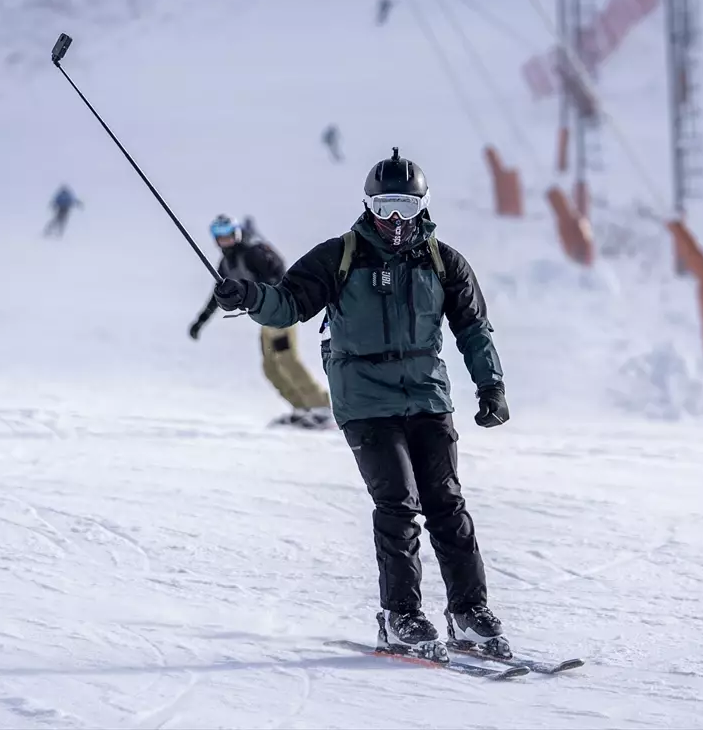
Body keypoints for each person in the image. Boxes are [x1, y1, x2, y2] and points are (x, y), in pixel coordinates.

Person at [209, 148, 511, 662]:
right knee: (397, 505)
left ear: (423, 207)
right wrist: (250, 296)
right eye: (386, 206)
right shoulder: (339, 256)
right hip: (366, 401)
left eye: (407, 208)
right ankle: (401, 617)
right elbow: (290, 302)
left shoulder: (444, 261)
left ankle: (469, 613)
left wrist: (491, 386)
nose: (396, 220)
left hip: (426, 395)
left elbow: (472, 328)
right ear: (369, 205)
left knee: (447, 505)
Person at [190, 214, 332, 427]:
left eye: (228, 234)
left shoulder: (254, 252)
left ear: (237, 233)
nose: (225, 240)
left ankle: (321, 408)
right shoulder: (226, 263)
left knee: (287, 359)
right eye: (219, 236)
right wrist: (200, 321)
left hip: (280, 317)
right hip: (265, 322)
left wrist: (260, 294)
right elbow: (217, 295)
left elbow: (280, 274)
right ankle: (302, 408)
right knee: (270, 367)